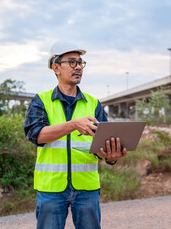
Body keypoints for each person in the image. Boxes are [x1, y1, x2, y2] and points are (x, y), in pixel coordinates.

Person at [24, 40, 127, 229]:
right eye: (72, 62)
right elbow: (35, 135)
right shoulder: (41, 101)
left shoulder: (93, 103)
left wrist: (110, 156)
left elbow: (101, 145)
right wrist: (73, 125)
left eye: (80, 63)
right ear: (56, 67)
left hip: (86, 188)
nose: (78, 67)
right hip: (51, 188)